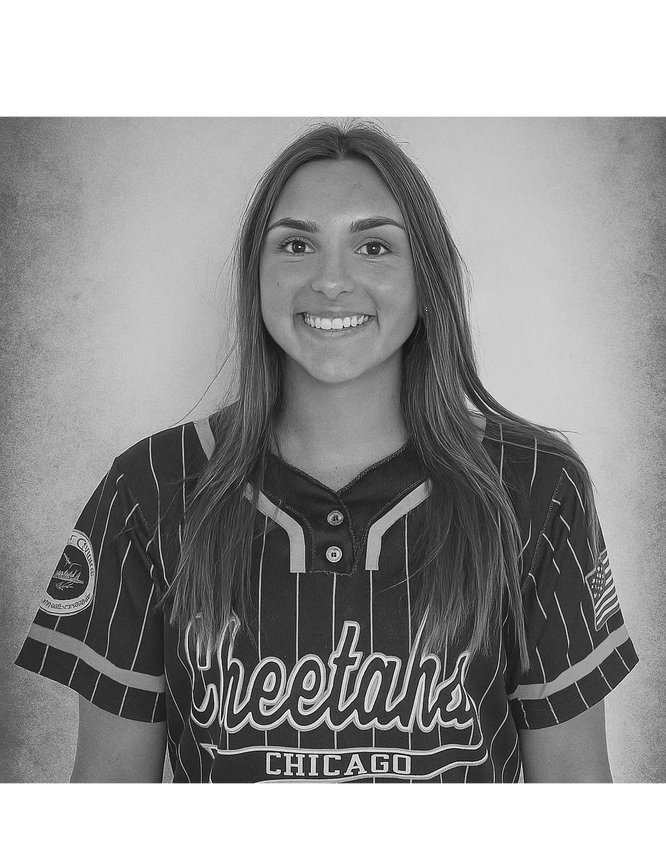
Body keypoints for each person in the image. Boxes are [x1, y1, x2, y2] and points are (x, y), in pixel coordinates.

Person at [14, 120, 639, 786]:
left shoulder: (535, 486)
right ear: (256, 277)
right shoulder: (151, 487)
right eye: (296, 244)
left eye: (373, 246)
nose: (331, 281)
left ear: (426, 279)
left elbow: (574, 775)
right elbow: (108, 775)